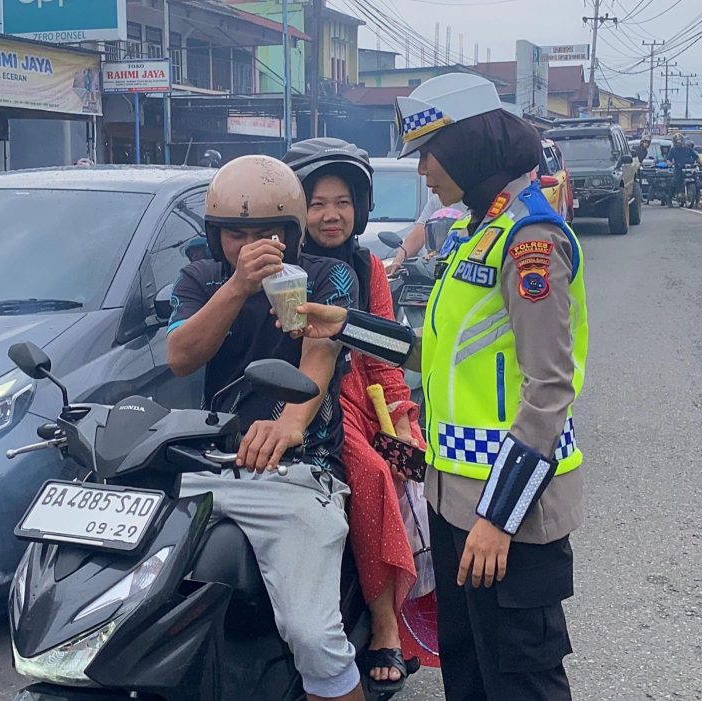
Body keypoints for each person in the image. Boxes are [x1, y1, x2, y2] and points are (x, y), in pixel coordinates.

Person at [279, 73, 588, 701]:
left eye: (429, 152)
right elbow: (434, 354)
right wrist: (347, 324)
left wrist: (498, 518)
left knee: (521, 679)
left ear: (470, 146)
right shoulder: (477, 234)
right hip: (454, 502)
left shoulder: (530, 242)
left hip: (508, 512)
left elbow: (549, 389)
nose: (422, 170)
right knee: (470, 673)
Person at [165, 154, 365, 701]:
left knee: (314, 635)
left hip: (299, 470)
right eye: (236, 234)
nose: (251, 245)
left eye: (267, 233)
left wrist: (290, 424)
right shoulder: (200, 277)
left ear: (291, 234)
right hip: (212, 464)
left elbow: (319, 356)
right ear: (215, 235)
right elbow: (180, 356)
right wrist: (235, 286)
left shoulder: (325, 275)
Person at [282, 138, 424, 693]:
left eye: (341, 202)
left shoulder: (367, 269)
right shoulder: (279, 266)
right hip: (280, 397)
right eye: (316, 203)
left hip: (351, 402)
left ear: (359, 207)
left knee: (368, 471)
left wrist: (404, 423)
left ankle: (384, 622)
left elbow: (387, 360)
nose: (330, 215)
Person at [387, 193, 442, 274]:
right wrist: (398, 262)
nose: (431, 186)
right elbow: (418, 234)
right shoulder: (438, 200)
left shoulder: (467, 208)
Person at [667, 132, 697, 206]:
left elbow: (695, 157)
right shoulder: (673, 150)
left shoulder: (688, 148)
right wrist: (670, 163)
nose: (679, 142)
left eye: (680, 140)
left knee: (697, 182)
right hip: (678, 169)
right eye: (677, 141)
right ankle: (669, 200)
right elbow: (668, 159)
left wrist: (700, 163)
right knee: (674, 183)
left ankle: (697, 198)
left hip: (689, 168)